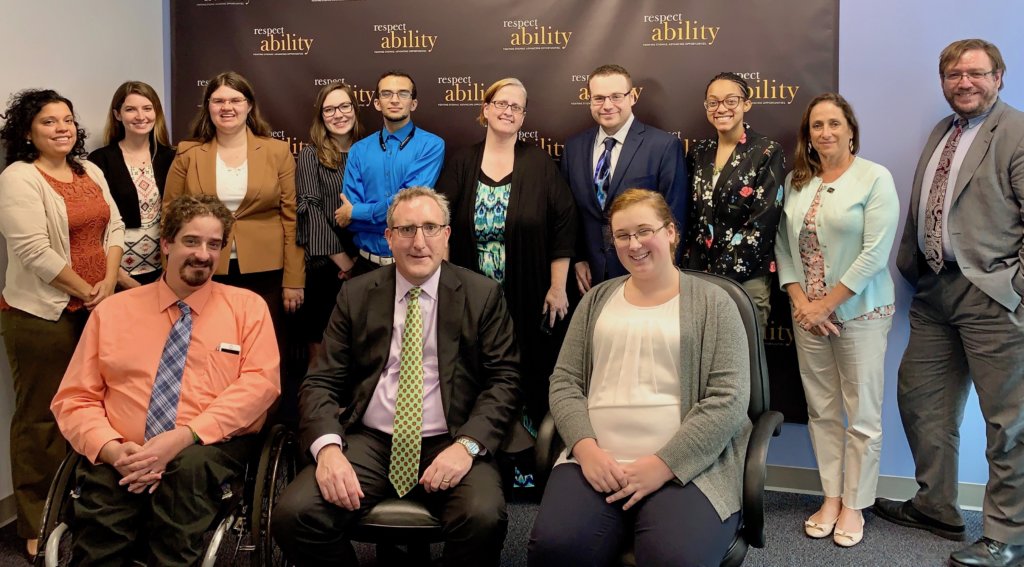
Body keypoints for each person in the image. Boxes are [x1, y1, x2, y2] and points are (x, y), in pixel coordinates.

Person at [272, 187, 522, 567]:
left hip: (451, 438)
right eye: (406, 230)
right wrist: (327, 449)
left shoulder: (482, 294)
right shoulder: (356, 294)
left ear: (446, 235)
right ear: (388, 238)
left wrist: (468, 445)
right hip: (370, 441)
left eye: (430, 228)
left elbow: (504, 380)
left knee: (483, 517)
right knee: (296, 515)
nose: (419, 242)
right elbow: (321, 381)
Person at [51, 194, 281, 565]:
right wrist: (112, 449)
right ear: (167, 244)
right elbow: (74, 398)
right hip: (123, 451)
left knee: (186, 478)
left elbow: (260, 386)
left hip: (206, 448)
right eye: (191, 241)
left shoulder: (247, 309)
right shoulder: (112, 312)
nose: (203, 254)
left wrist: (182, 437)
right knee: (102, 524)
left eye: (214, 244)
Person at [528, 189, 751, 566]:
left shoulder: (715, 303)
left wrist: (664, 464)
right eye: (622, 235)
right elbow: (565, 381)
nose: (634, 245)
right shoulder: (596, 300)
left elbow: (728, 398)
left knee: (674, 559)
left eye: (644, 231)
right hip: (595, 462)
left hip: (688, 468)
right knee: (555, 549)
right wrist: (585, 450)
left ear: (671, 232)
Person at [875, 38, 1024, 567]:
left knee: (1009, 423)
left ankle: (1007, 535)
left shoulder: (1018, 132)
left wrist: (1015, 288)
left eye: (977, 73)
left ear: (999, 77)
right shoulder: (944, 130)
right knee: (921, 402)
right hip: (934, 291)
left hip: (993, 296)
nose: (965, 82)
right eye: (955, 74)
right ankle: (936, 505)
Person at [0, 89, 125, 558]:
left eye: (67, 120)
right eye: (49, 121)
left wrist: (108, 284)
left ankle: (82, 509)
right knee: (41, 420)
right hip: (43, 316)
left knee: (94, 411)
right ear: (28, 131)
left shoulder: (87, 169)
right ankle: (36, 522)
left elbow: (113, 228)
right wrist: (87, 289)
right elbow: (34, 251)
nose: (62, 128)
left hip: (97, 307)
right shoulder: (18, 178)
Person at [774, 93, 898, 548]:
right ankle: (830, 497)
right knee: (822, 412)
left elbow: (875, 253)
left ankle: (855, 504)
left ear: (850, 129)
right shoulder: (797, 180)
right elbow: (784, 248)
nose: (824, 132)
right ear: (807, 135)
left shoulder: (874, 178)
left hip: (860, 313)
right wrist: (803, 301)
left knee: (862, 415)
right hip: (806, 315)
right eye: (816, 126)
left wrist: (827, 303)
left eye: (833, 123)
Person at [436, 77, 576, 430]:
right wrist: (445, 283)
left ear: (524, 116)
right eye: (500, 103)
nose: (507, 111)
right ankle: (480, 442)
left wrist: (558, 288)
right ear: (485, 109)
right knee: (477, 368)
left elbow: (564, 225)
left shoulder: (539, 164)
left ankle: (527, 456)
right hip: (471, 294)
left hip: (528, 294)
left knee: (526, 369)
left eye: (516, 106)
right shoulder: (462, 162)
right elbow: (441, 221)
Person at [164, 70, 304, 327]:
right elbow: (170, 214)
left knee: (262, 348)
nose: (226, 107)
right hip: (203, 266)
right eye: (218, 101)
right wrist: (170, 273)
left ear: (249, 105)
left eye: (235, 100)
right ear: (208, 107)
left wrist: (294, 279)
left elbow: (292, 217)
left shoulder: (277, 151)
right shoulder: (188, 153)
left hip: (267, 272)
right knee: (208, 346)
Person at [561, 64, 687, 295]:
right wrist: (577, 258)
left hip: (645, 275)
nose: (607, 105)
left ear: (633, 97)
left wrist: (664, 274)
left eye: (616, 96)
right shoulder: (573, 148)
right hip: (588, 280)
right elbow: (568, 215)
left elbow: (674, 216)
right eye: (598, 98)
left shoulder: (663, 146)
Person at [685, 72, 786, 333]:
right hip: (699, 277)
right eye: (713, 102)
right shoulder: (699, 151)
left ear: (746, 104)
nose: (722, 109)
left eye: (731, 100)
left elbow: (762, 225)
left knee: (744, 365)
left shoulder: (766, 151)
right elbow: (692, 216)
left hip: (746, 278)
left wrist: (719, 277)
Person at [335, 70, 445, 276]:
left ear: (413, 103)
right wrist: (393, 221)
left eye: (403, 94)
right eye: (386, 94)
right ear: (377, 103)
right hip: (365, 266)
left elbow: (408, 207)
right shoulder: (359, 150)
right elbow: (351, 223)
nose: (394, 100)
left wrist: (358, 212)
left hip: (413, 264)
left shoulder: (432, 145)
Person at [296, 81, 365, 358]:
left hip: (367, 258)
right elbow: (309, 210)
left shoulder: (370, 151)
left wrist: (360, 262)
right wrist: (345, 264)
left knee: (361, 341)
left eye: (344, 106)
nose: (339, 114)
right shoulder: (311, 155)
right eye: (329, 110)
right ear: (321, 117)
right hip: (326, 262)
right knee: (321, 340)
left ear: (354, 109)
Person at [89, 80, 175, 288]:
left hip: (163, 271)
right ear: (118, 115)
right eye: (130, 109)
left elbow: (180, 217)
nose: (140, 116)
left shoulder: (171, 157)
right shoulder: (99, 161)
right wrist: (118, 277)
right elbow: (93, 226)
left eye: (147, 108)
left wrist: (170, 271)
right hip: (114, 274)